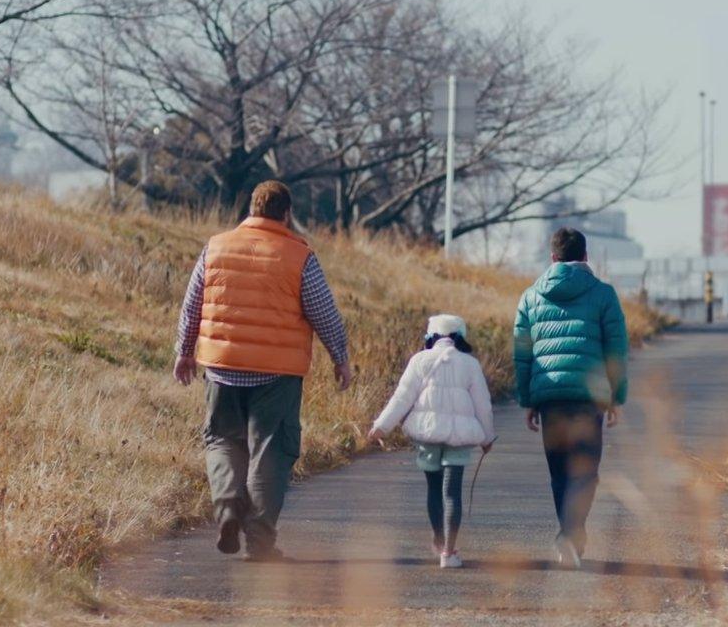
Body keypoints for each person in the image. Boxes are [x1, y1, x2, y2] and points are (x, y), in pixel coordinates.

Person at [173, 180, 353, 562]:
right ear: (286, 213)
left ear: (252, 208)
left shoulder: (215, 247)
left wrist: (185, 352)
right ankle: (259, 541)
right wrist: (340, 357)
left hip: (221, 368)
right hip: (276, 373)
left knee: (222, 441)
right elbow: (323, 312)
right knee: (271, 450)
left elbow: (192, 304)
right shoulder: (299, 256)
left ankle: (227, 507)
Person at [513, 227, 629, 569]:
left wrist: (528, 399)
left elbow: (522, 354)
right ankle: (571, 535)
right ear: (586, 256)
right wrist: (617, 396)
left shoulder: (530, 297)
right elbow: (616, 350)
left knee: (559, 472)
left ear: (553, 258)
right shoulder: (603, 294)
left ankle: (568, 536)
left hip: (550, 398)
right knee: (586, 472)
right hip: (589, 398)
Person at [368, 314, 496, 569]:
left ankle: (438, 538)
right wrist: (487, 437)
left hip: (428, 434)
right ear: (460, 336)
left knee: (434, 490)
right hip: (459, 437)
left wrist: (381, 427)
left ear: (432, 336)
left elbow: (402, 397)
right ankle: (449, 552)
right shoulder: (470, 364)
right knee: (452, 493)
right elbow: (483, 404)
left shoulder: (419, 361)